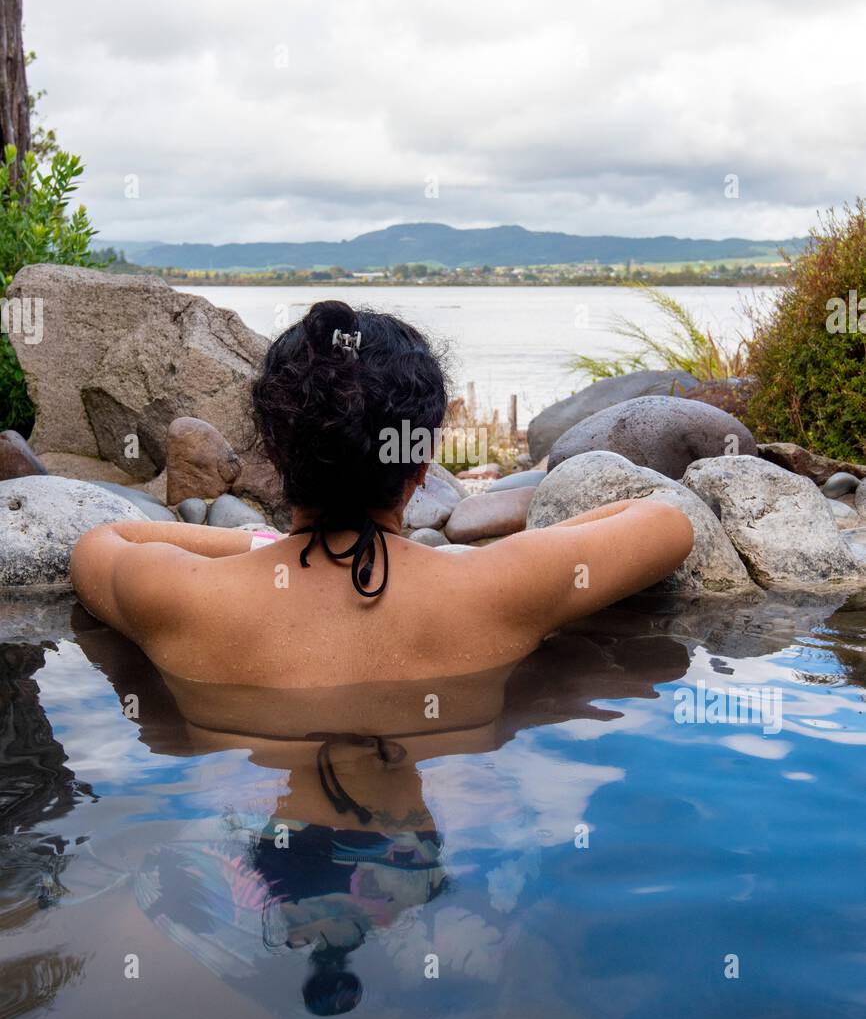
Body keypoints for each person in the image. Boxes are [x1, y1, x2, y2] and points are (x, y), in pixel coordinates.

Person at [70, 298, 694, 730]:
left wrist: (255, 548)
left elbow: (101, 539)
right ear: (420, 463)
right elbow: (666, 522)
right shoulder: (497, 586)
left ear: (275, 453)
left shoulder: (179, 596)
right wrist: (510, 553)